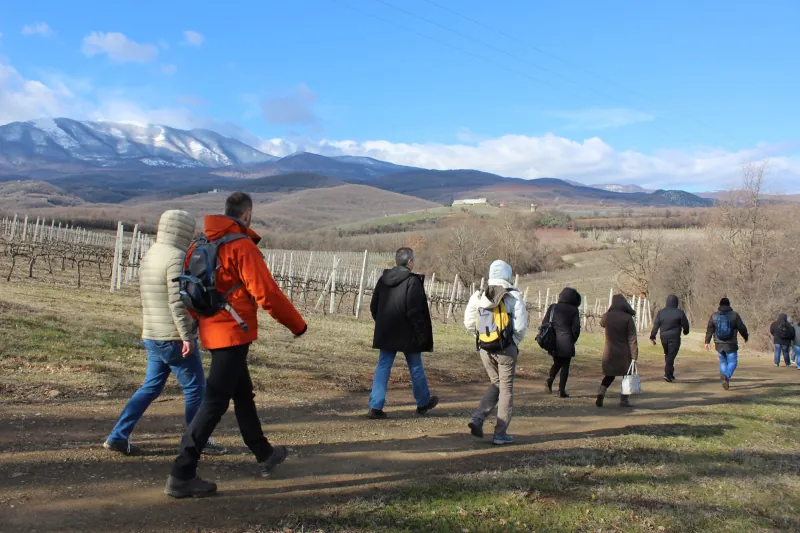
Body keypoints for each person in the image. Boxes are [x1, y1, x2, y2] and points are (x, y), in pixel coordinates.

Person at [165, 192, 308, 499]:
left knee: (242, 393)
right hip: (233, 333)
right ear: (247, 215)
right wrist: (297, 325)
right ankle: (182, 472)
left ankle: (264, 453)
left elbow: (189, 291)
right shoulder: (241, 247)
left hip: (213, 331)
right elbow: (267, 294)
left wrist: (197, 324)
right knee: (215, 402)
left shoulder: (199, 245)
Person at [104, 210, 226, 456]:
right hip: (172, 336)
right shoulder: (176, 257)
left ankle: (118, 435)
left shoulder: (151, 254)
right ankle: (196, 440)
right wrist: (187, 336)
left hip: (151, 333)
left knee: (150, 387)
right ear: (182, 229)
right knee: (196, 389)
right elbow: (176, 302)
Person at [367, 247, 438, 420]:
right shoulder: (412, 281)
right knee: (415, 366)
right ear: (410, 262)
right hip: (408, 333)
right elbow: (415, 311)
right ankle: (422, 403)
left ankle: (375, 406)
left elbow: (373, 307)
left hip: (387, 331)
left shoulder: (383, 279)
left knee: (383, 366)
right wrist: (421, 334)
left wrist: (383, 324)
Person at [464, 260, 528, 445]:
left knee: (496, 383)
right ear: (507, 275)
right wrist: (513, 343)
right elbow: (521, 326)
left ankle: (477, 418)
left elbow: (469, 322)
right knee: (506, 389)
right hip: (506, 349)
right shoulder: (513, 296)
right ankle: (500, 433)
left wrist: (484, 337)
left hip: (484, 348)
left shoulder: (479, 294)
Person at [596, 294, 639, 408]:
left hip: (609, 351)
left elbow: (601, 324)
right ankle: (624, 400)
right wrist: (634, 356)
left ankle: (601, 392)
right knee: (627, 376)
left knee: (609, 375)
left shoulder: (607, 316)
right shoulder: (627, 318)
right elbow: (632, 338)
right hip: (624, 352)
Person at [543, 287, 582, 398]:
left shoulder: (553, 307)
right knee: (565, 365)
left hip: (553, 341)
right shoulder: (574, 310)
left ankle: (550, 379)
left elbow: (545, 322)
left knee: (557, 362)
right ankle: (561, 390)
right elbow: (576, 328)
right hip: (567, 341)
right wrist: (573, 338)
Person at [705, 297, 749, 390]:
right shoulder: (734, 315)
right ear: (729, 305)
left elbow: (709, 329)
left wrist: (707, 341)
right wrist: (746, 337)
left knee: (723, 362)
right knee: (733, 361)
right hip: (731, 343)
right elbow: (742, 328)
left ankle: (725, 380)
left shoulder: (714, 315)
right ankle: (727, 375)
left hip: (718, 343)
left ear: (720, 305)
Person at [649, 294, 690, 382]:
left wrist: (653, 336)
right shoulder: (679, 313)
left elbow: (656, 325)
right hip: (675, 337)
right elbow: (685, 324)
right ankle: (667, 374)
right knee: (671, 355)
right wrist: (685, 331)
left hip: (663, 337)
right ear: (676, 302)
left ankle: (670, 373)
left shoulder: (661, 313)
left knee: (668, 354)